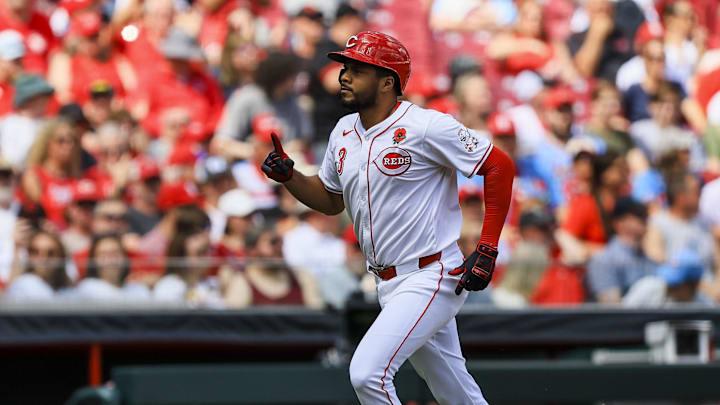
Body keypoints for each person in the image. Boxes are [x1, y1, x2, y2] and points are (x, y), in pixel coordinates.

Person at [261, 31, 514, 404]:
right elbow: (332, 201)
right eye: (344, 67)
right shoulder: (343, 132)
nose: (344, 75)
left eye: (357, 69)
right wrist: (291, 178)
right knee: (456, 394)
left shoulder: (426, 125)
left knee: (367, 374)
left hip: (431, 274)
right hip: (387, 282)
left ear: (387, 81)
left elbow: (499, 166)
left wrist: (488, 246)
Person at [223, 227, 323, 308]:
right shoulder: (242, 281)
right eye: (273, 242)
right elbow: (235, 321)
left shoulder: (300, 276)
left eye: (281, 242)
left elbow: (317, 312)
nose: (279, 247)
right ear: (252, 250)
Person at [586, 198, 657, 304]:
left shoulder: (647, 259)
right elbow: (610, 307)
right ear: (620, 222)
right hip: (619, 319)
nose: (645, 220)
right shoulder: (604, 260)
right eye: (639, 216)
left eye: (645, 216)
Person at [623, 249, 715, 307]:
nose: (670, 286)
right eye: (669, 281)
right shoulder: (647, 287)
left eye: (676, 284)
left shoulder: (704, 306)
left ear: (693, 284)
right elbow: (624, 318)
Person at [73, 234, 150, 302]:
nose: (110, 260)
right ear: (94, 260)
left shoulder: (139, 289)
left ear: (124, 257)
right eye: (103, 255)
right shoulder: (86, 289)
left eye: (115, 253)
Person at [5, 230, 71, 300]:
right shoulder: (24, 284)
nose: (43, 258)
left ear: (60, 256)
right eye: (35, 252)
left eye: (50, 253)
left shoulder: (69, 292)